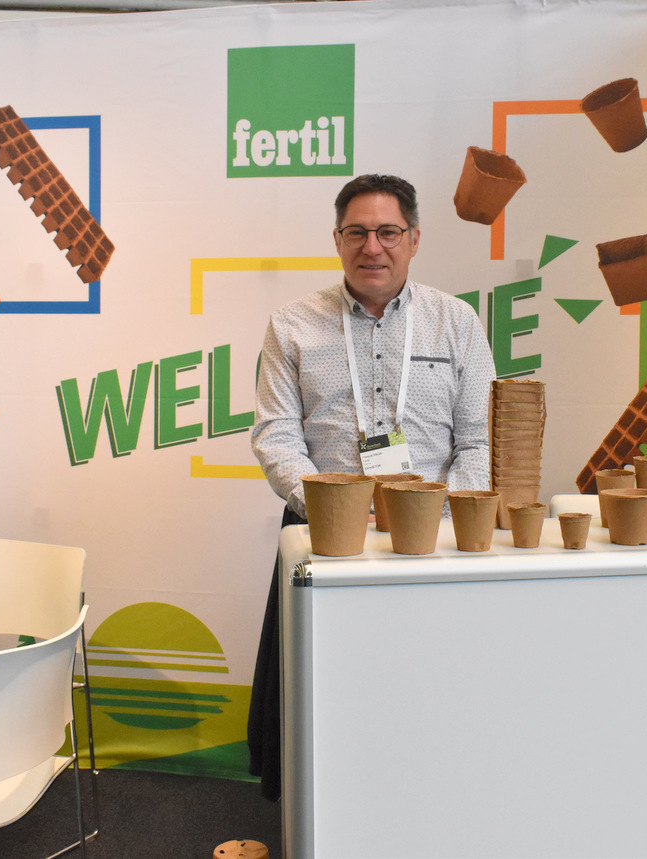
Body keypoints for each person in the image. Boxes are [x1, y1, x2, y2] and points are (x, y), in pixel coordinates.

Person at [247, 173, 495, 800]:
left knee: (430, 691)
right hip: (325, 537)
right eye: (356, 232)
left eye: (388, 232)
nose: (372, 247)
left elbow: (478, 440)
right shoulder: (292, 325)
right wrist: (334, 508)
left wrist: (441, 520)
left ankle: (431, 801)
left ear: (414, 239)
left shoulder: (457, 322)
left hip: (436, 540)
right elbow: (277, 435)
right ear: (337, 240)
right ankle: (319, 812)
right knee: (321, 698)